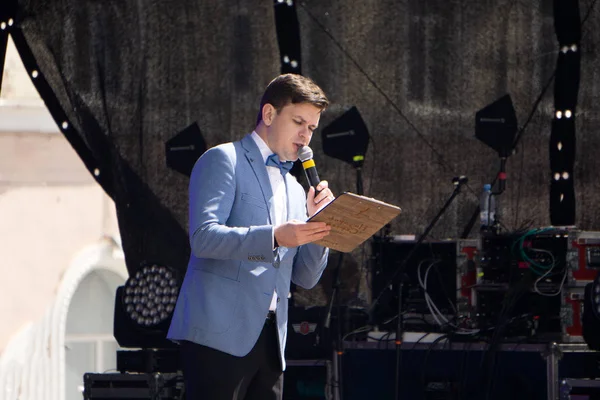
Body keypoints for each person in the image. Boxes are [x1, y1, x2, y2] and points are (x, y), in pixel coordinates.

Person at [167, 73, 335, 400]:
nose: (305, 136)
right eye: (298, 122)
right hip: (218, 335)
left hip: (272, 342)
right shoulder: (223, 159)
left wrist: (319, 224)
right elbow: (204, 238)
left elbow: (306, 277)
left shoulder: (295, 188)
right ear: (270, 114)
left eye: (312, 128)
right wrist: (273, 237)